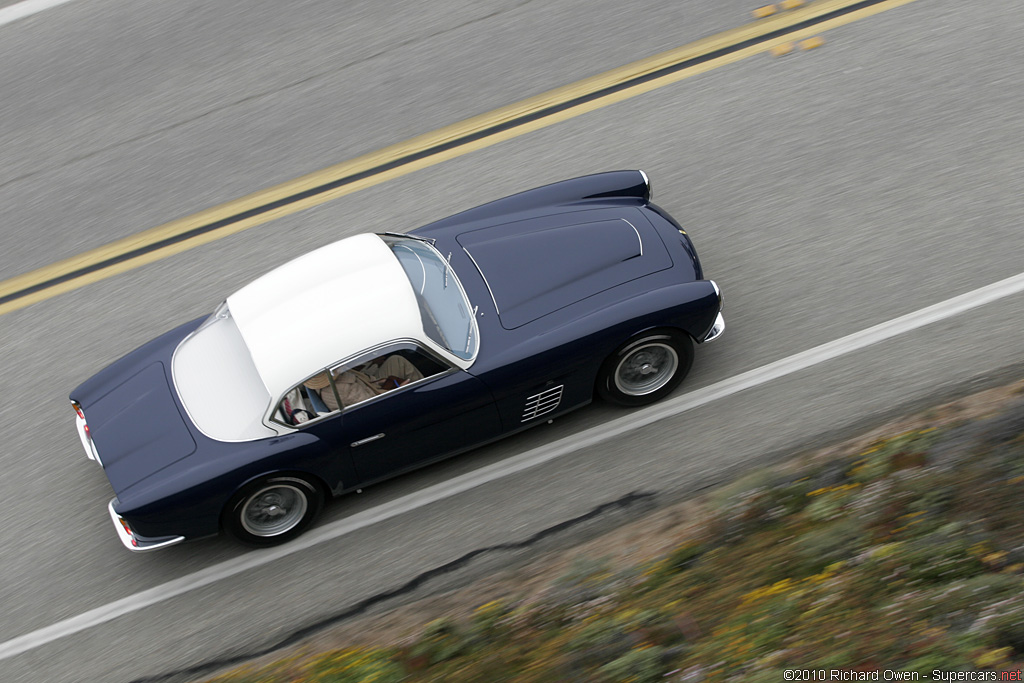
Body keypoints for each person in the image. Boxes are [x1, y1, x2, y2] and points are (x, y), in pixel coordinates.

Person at [305, 354, 423, 411]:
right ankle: (422, 397)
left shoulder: (333, 379)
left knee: (396, 360)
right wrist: (397, 389)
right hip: (377, 399)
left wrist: (378, 381)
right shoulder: (342, 388)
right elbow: (374, 404)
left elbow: (361, 377)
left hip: (370, 385)